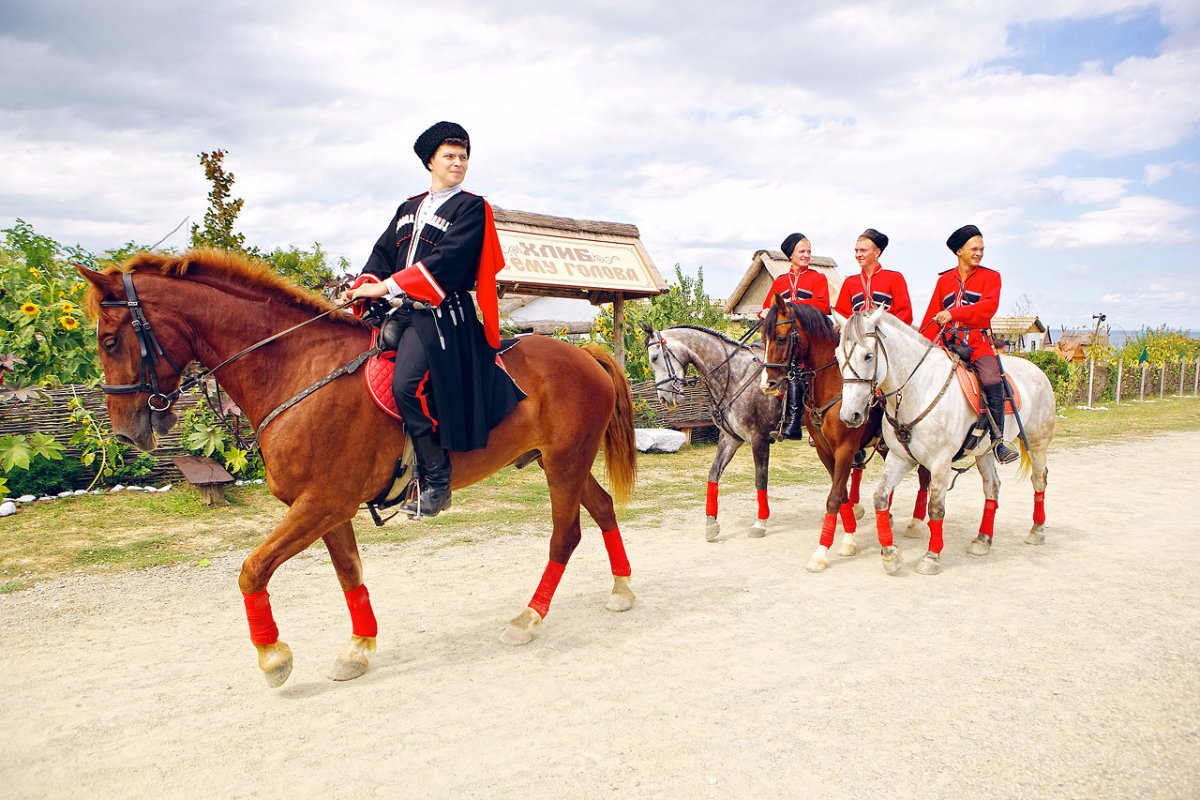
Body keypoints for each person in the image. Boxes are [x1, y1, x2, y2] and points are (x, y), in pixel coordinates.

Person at [340, 121, 525, 516]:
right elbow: (381, 254)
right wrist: (362, 286)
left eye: (463, 157)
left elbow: (448, 261)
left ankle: (437, 482)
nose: (458, 163)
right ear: (430, 162)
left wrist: (385, 287)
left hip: (443, 318)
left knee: (406, 385)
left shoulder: (473, 208)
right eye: (450, 156)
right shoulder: (407, 209)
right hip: (400, 312)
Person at [918, 224, 1018, 464]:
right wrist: (921, 343)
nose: (979, 253)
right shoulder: (944, 281)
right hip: (948, 344)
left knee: (993, 380)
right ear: (959, 251)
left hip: (977, 344)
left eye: (981, 249)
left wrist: (954, 314)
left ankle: (998, 441)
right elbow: (932, 315)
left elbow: (987, 308)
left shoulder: (991, 277)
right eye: (974, 248)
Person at [761, 232, 831, 439]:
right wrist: (764, 312)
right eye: (802, 251)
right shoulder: (781, 281)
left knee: (798, 371)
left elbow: (823, 306)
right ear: (791, 255)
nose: (807, 255)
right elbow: (768, 306)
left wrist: (792, 309)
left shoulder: (818, 278)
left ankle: (793, 423)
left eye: (809, 251)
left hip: (808, 339)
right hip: (785, 337)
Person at [832, 228, 913, 325]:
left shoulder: (895, 278)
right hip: (857, 336)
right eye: (856, 251)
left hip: (885, 336)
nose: (858, 255)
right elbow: (841, 314)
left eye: (863, 250)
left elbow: (905, 313)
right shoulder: (849, 282)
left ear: (877, 253)